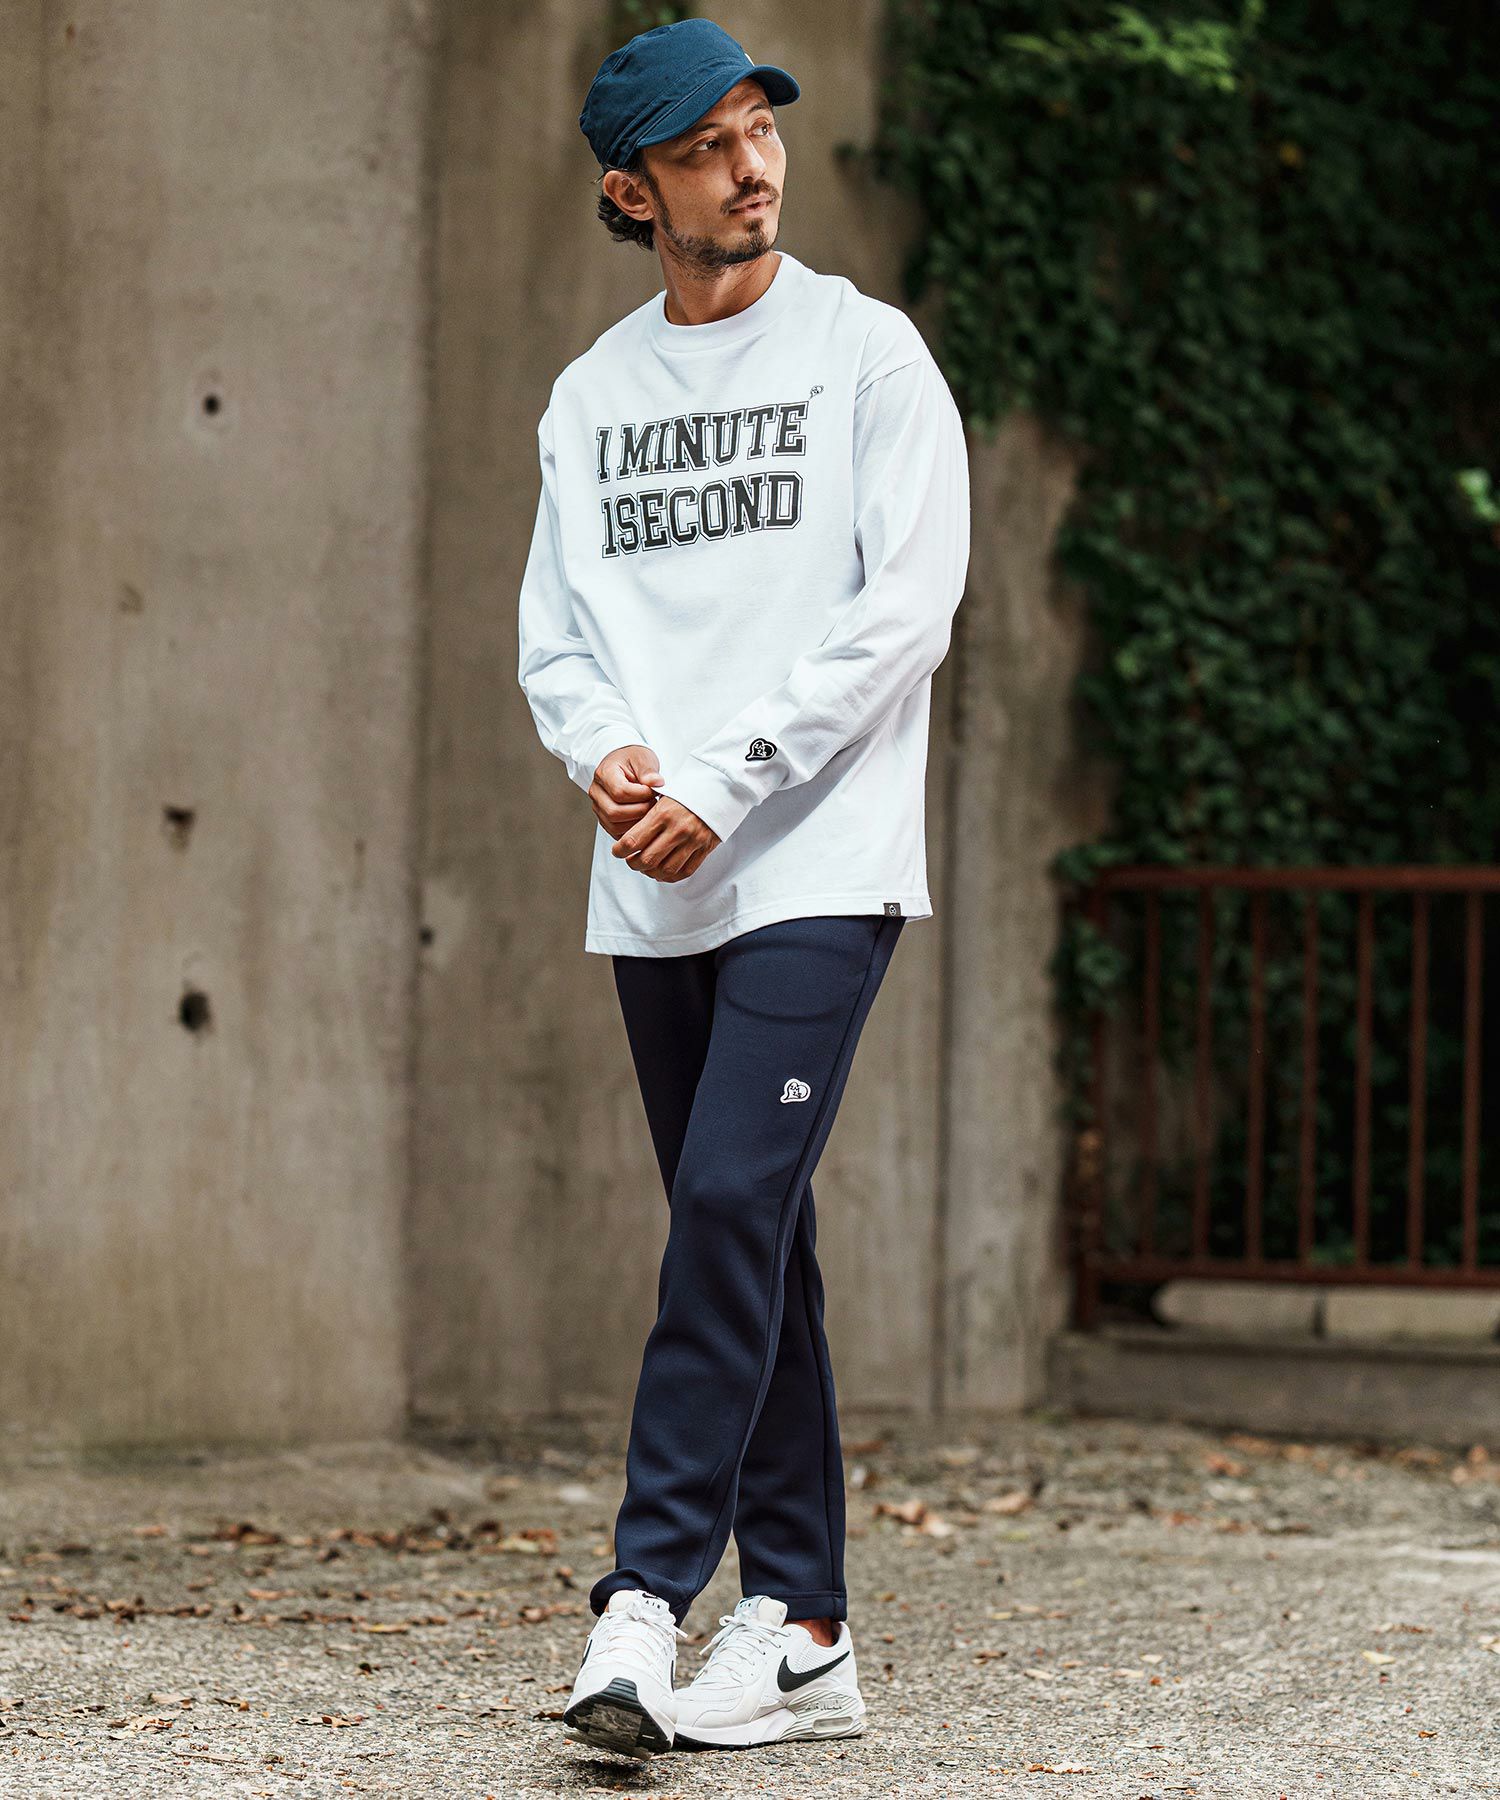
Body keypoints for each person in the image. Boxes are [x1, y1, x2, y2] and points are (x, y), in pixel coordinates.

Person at [515, 14, 970, 1759]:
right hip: (656, 876)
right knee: (748, 1226)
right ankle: (806, 1630)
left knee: (723, 1201)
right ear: (635, 192)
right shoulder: (592, 397)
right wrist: (612, 753)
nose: (750, 165)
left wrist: (729, 777)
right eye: (703, 148)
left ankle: (644, 1598)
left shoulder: (866, 355)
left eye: (757, 130)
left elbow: (904, 610)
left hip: (818, 853)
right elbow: (559, 638)